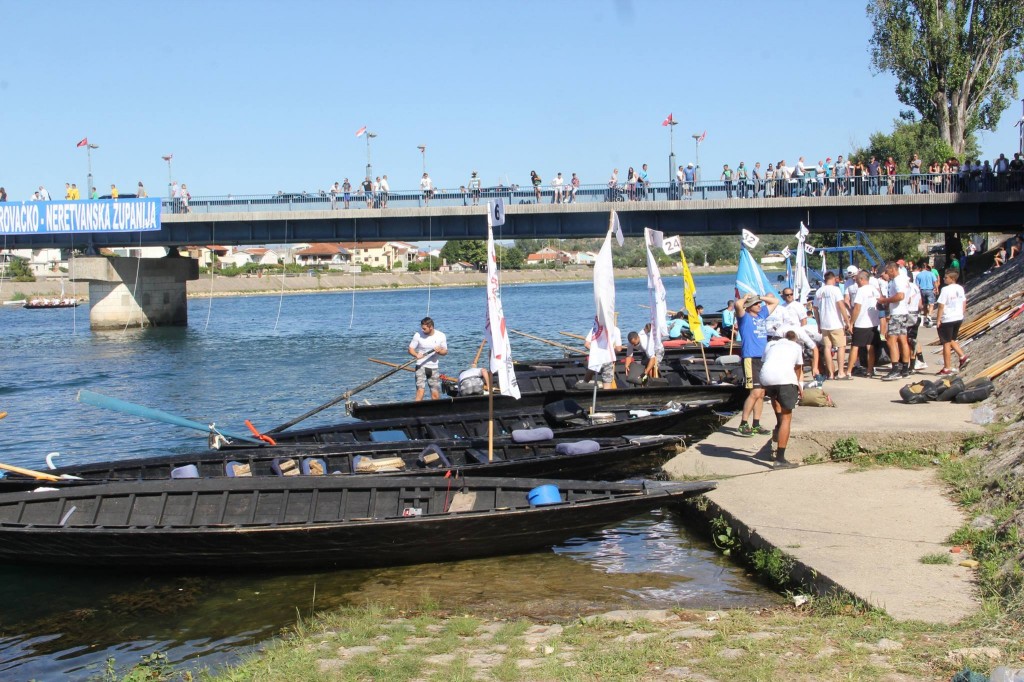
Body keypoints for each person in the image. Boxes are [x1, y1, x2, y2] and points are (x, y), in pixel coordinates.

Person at [735, 292, 779, 437]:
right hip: (750, 358)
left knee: (761, 393)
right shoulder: (744, 318)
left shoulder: (761, 315)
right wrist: (746, 298)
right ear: (749, 307)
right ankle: (743, 423)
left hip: (762, 358)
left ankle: (756, 423)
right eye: (756, 304)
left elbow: (775, 301)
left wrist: (760, 298)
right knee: (754, 392)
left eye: (759, 303)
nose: (759, 305)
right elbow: (737, 305)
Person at [760, 329, 804, 469]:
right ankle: (780, 459)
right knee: (787, 417)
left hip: (765, 377)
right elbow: (797, 369)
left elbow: (764, 361)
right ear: (795, 339)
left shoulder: (770, 344)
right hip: (784, 378)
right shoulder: (796, 347)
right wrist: (798, 385)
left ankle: (778, 423)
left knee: (775, 395)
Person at [877, 262, 912, 381]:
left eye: (887, 271)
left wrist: (885, 300)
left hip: (897, 313)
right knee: (903, 340)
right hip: (903, 312)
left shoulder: (897, 280)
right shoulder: (904, 279)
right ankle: (905, 368)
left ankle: (895, 368)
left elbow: (900, 296)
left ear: (892, 270)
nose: (887, 274)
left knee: (891, 341)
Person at [813, 271, 850, 380]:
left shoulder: (819, 291)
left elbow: (815, 308)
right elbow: (841, 305)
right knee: (841, 346)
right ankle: (841, 372)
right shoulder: (835, 290)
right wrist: (847, 321)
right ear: (833, 279)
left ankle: (831, 374)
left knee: (827, 348)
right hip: (836, 323)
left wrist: (818, 323)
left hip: (824, 323)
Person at [845, 270, 880, 378]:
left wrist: (851, 323)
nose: (855, 282)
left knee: (855, 346)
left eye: (856, 280)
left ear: (861, 279)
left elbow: (857, 308)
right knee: (871, 346)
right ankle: (869, 370)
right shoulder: (874, 290)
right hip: (873, 322)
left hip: (861, 323)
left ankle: (849, 371)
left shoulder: (861, 291)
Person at [936, 270, 969, 376]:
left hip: (948, 318)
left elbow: (941, 305)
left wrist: (938, 319)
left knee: (946, 343)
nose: (944, 279)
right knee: (951, 339)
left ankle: (947, 367)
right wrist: (962, 312)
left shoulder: (945, 290)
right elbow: (964, 301)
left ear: (952, 278)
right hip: (958, 317)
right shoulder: (960, 288)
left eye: (946, 278)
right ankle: (962, 356)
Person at [408, 317, 448, 401]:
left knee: (435, 393)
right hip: (420, 366)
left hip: (433, 368)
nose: (422, 330)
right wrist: (416, 354)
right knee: (420, 391)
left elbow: (445, 352)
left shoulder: (441, 335)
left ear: (431, 327)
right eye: (421, 328)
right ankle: (417, 412)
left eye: (424, 328)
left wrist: (439, 351)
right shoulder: (418, 335)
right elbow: (410, 349)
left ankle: (436, 412)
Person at [584, 320, 623, 389]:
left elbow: (587, 344)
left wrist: (595, 351)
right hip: (608, 358)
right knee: (607, 382)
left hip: (596, 358)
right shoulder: (616, 330)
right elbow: (619, 349)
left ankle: (584, 384)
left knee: (589, 375)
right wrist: (612, 353)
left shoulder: (595, 328)